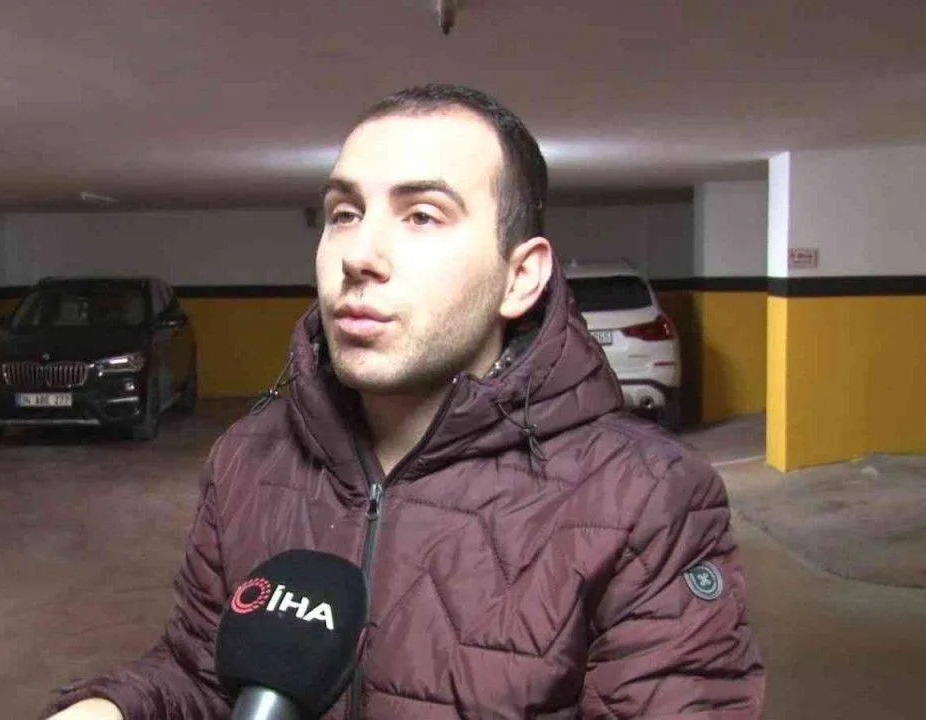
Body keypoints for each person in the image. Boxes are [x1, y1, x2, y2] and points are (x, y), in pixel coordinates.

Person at [45, 83, 766, 719]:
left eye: (422, 215)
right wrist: (109, 709)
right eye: (344, 213)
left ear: (520, 277)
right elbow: (203, 674)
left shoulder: (648, 499)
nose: (359, 255)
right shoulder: (247, 459)